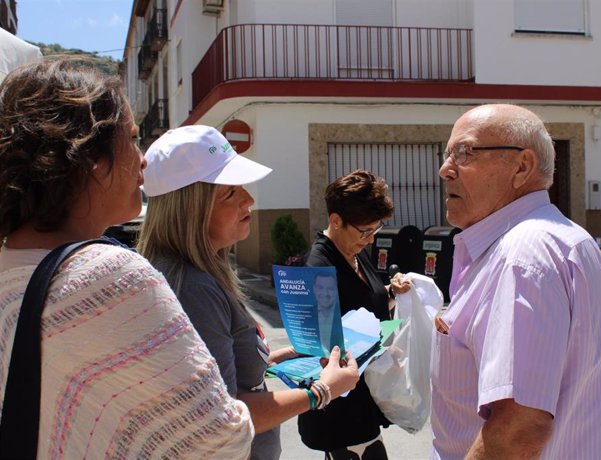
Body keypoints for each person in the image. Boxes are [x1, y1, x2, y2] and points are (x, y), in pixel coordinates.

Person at [0, 59, 254, 458]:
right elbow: (218, 439)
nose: (142, 160)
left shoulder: (8, 264)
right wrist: (317, 392)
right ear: (92, 159)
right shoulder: (110, 275)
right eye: (133, 139)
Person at [136, 125, 359, 460]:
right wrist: (323, 390)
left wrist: (272, 360)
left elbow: (210, 375)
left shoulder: (188, 275)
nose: (249, 200)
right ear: (189, 208)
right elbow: (222, 413)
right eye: (230, 193)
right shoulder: (193, 288)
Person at [431, 104, 601, 459]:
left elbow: (518, 430)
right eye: (447, 155)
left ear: (522, 166)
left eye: (465, 152)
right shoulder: (565, 239)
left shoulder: (520, 255)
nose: (446, 169)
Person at [299, 169, 412, 460]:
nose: (371, 239)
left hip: (363, 398)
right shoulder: (318, 267)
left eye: (375, 230)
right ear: (336, 220)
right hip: (341, 407)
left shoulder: (354, 253)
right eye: (365, 231)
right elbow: (323, 346)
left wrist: (390, 292)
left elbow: (364, 303)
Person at [313, 270, 343, 355]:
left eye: (330, 288)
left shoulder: (345, 314)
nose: (325, 293)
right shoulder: (304, 317)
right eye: (320, 288)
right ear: (314, 289)